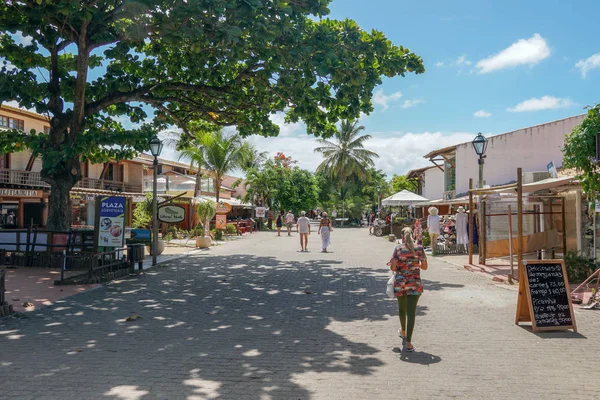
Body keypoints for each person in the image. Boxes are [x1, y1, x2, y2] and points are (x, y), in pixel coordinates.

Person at [388, 227, 428, 352]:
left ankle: (403, 331)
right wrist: (416, 264)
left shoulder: (398, 249)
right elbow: (425, 267)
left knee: (402, 309)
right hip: (415, 283)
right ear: (413, 235)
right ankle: (409, 343)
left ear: (402, 236)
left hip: (401, 283)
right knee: (411, 312)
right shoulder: (419, 248)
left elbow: (394, 268)